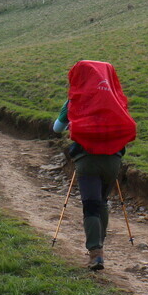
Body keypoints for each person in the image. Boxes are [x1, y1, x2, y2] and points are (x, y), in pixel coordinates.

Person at [52, 60, 136, 271]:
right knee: (102, 202)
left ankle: (95, 252)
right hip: (113, 161)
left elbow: (56, 128)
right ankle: (100, 244)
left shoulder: (73, 100)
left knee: (90, 204)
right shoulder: (116, 98)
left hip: (87, 160)